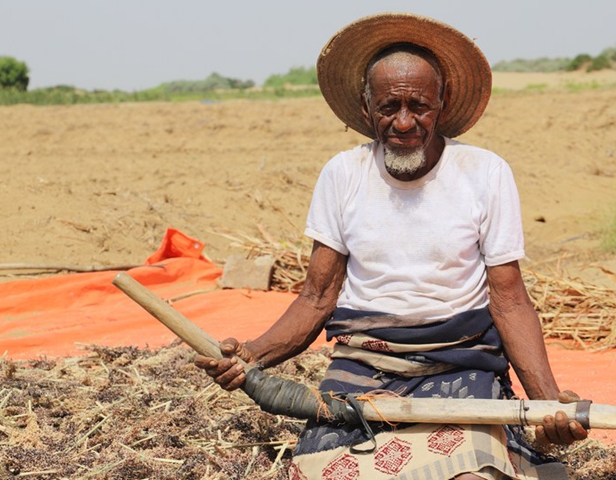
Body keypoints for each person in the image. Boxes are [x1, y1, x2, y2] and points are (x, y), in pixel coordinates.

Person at [196, 13, 588, 480]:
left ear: (441, 105)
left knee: (470, 474)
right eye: (388, 107)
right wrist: (251, 357)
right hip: (362, 363)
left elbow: (508, 298)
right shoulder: (342, 175)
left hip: (457, 360)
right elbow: (317, 297)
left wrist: (547, 401)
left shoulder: (485, 173)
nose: (404, 122)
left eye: (419, 106)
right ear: (366, 111)